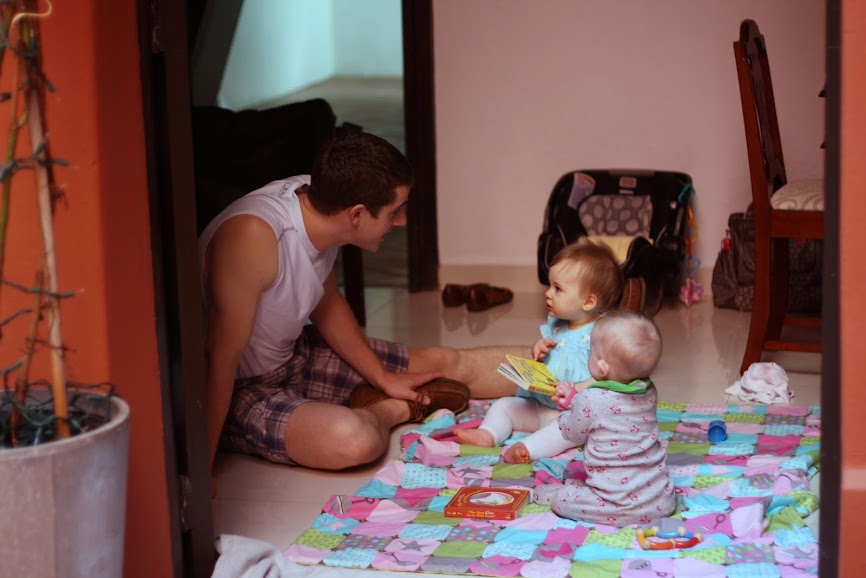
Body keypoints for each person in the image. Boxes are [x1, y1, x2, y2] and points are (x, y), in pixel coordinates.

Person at [199, 130, 520, 472]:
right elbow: (220, 358)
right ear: (356, 215)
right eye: (394, 211)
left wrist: (383, 377)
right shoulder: (254, 238)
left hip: (294, 355)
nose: (402, 221)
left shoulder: (321, 200)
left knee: (443, 362)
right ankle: (395, 408)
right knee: (354, 439)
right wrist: (202, 471)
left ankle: (562, 366)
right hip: (242, 387)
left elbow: (326, 303)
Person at [455, 241, 624, 463]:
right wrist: (539, 350)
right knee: (504, 405)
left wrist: (577, 390)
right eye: (549, 286)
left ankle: (527, 449)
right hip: (539, 405)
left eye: (558, 289)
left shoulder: (601, 334)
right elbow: (551, 359)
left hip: (572, 415)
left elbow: (607, 377)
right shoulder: (557, 325)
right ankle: (488, 434)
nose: (547, 293)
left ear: (588, 301)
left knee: (561, 432)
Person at [532, 308, 675, 527]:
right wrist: (575, 400)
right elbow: (611, 414)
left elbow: (572, 432)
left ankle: (562, 495)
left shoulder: (591, 399)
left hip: (615, 505)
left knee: (562, 500)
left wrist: (567, 409)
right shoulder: (648, 390)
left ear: (602, 367)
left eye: (591, 353)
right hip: (660, 501)